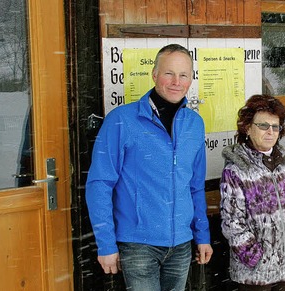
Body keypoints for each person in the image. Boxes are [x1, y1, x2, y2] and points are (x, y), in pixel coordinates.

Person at [86, 44, 213, 290]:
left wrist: (202, 236)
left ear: (191, 79)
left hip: (181, 244)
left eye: (184, 75)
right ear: (154, 75)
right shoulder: (122, 120)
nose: (177, 81)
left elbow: (195, 187)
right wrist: (106, 244)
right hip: (138, 244)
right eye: (169, 73)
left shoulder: (194, 124)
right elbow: (99, 184)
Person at [219, 94, 285, 291]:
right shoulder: (237, 169)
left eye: (275, 126)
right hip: (256, 274)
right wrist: (256, 257)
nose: (270, 131)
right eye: (263, 126)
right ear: (247, 127)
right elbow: (232, 223)